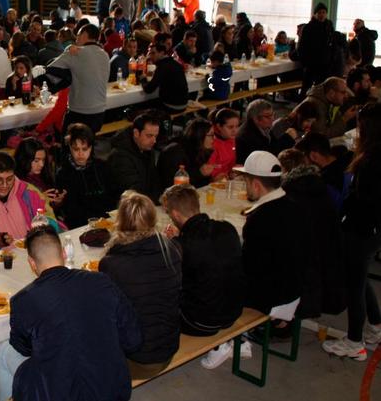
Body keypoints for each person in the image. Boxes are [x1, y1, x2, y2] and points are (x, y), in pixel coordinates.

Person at [0, 224, 142, 401]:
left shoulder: (23, 300)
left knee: (5, 351)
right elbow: (132, 339)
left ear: (31, 263)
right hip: (113, 389)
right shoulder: (101, 280)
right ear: (64, 254)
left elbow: (23, 348)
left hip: (59, 393)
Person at [100, 191, 182, 378]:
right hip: (168, 347)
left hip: (138, 359)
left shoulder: (112, 264)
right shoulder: (170, 248)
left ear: (119, 222)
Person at [322, 104, 381, 360]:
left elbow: (364, 200)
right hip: (372, 230)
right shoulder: (373, 156)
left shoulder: (371, 162)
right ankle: (376, 326)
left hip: (361, 229)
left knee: (353, 285)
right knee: (361, 276)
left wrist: (345, 210)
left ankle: (354, 341)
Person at [163, 185, 244, 338]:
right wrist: (180, 237)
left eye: (169, 214)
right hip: (233, 312)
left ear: (175, 214)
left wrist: (172, 243)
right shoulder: (227, 228)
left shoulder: (181, 246)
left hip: (200, 322)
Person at [239, 151, 304, 328]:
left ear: (257, 184)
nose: (245, 187)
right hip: (295, 289)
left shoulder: (260, 218)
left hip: (273, 298)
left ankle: (237, 340)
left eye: (246, 182)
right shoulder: (295, 205)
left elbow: (249, 268)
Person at [278, 149, 345, 318]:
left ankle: (281, 320)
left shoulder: (293, 192)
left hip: (305, 270)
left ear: (285, 170)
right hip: (327, 262)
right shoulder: (317, 185)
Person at [43, 24, 109, 133]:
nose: (76, 39)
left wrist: (68, 50)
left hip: (79, 113)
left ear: (84, 35)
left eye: (77, 35)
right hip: (100, 113)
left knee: (67, 144)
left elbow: (49, 69)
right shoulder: (105, 54)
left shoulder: (76, 52)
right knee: (88, 145)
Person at [55, 123, 113, 228]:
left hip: (106, 221)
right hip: (80, 226)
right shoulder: (63, 174)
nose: (81, 154)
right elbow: (69, 210)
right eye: (76, 149)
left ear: (91, 148)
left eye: (85, 149)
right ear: (69, 148)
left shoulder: (102, 167)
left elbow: (113, 196)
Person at [107, 112, 162, 202]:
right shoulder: (119, 156)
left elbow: (154, 180)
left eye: (156, 136)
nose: (154, 141)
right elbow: (133, 191)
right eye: (149, 136)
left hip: (145, 201)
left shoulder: (147, 148)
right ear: (136, 133)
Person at [295, 131, 353, 209]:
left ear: (313, 156)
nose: (304, 165)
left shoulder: (324, 184)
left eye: (304, 161)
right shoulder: (352, 159)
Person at [158, 118, 215, 189]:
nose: (214, 138)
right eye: (211, 135)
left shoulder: (201, 150)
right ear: (200, 135)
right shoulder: (175, 152)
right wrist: (199, 173)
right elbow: (175, 185)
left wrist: (213, 179)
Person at [140, 34, 189, 113]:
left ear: (162, 53)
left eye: (153, 53)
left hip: (172, 106)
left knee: (141, 106)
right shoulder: (174, 62)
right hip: (183, 104)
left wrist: (142, 78)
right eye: (149, 53)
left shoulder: (162, 66)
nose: (150, 56)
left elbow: (149, 89)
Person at [298, 2, 334, 92]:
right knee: (306, 87)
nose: (322, 15)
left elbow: (332, 42)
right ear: (315, 14)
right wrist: (305, 62)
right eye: (319, 13)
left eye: (324, 12)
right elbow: (302, 46)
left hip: (325, 63)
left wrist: (331, 58)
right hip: (311, 63)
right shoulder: (308, 27)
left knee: (322, 88)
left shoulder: (329, 26)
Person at [207, 108, 239, 180]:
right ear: (219, 126)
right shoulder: (211, 142)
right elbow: (211, 169)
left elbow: (231, 162)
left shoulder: (232, 139)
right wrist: (217, 175)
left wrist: (233, 171)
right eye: (230, 127)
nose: (235, 130)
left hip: (227, 179)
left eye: (237, 126)